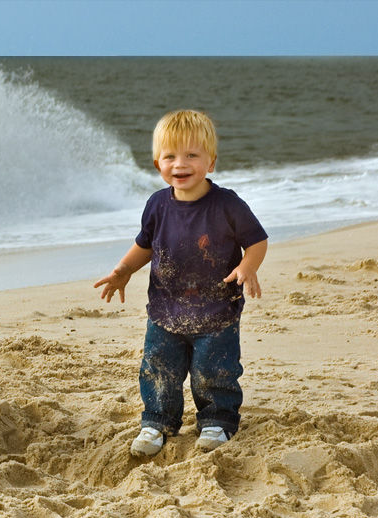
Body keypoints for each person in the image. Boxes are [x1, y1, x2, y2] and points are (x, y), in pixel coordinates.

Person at [94, 109, 268, 457]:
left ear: (211, 162)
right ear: (157, 162)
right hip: (165, 310)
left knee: (214, 369)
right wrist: (124, 270)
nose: (180, 164)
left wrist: (249, 266)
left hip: (217, 309)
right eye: (170, 156)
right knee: (158, 367)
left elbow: (257, 240)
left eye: (192, 155)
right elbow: (145, 245)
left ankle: (217, 419)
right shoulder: (157, 205)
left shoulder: (227, 205)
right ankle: (157, 421)